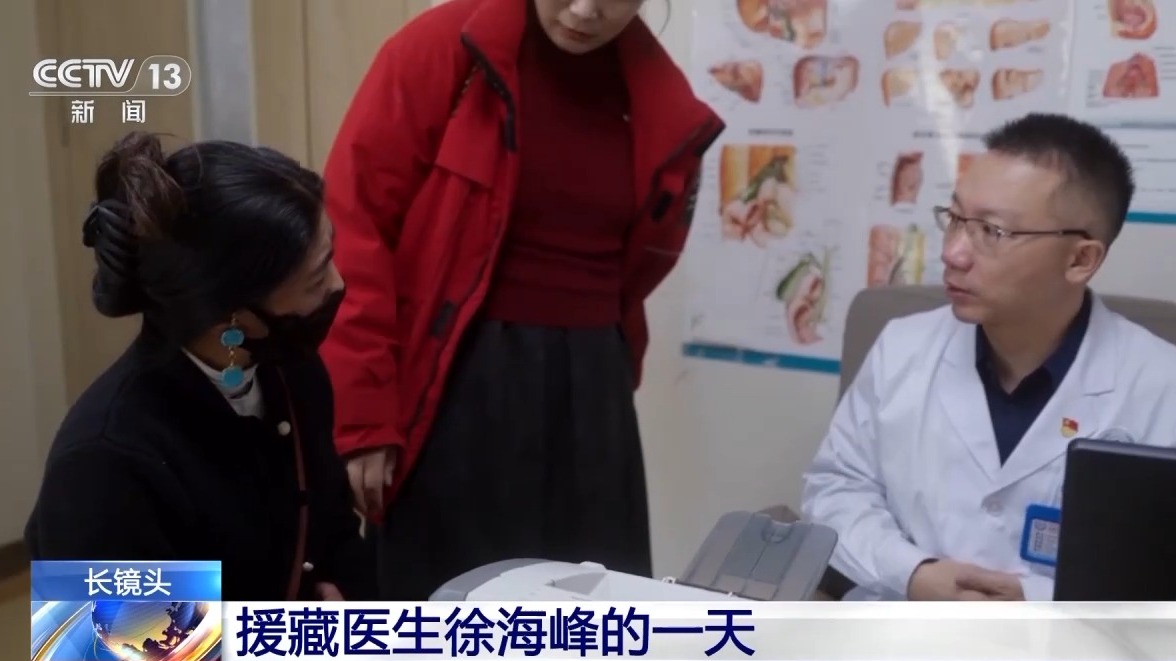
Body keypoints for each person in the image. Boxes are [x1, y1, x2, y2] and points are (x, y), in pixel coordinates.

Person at [319, 0, 724, 599]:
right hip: (458, 385)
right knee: (450, 611)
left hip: (595, 397)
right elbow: (353, 231)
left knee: (594, 610)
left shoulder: (659, 98)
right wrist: (363, 416)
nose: (584, 10)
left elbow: (640, 264)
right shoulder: (443, 50)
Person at [801, 112, 1176, 601]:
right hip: (897, 623)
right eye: (956, 220)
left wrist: (1032, 603)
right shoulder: (902, 347)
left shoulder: (1160, 384)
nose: (953, 253)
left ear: (1080, 259)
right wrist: (913, 573)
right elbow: (835, 490)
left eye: (992, 231)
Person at [24, 131, 373, 601]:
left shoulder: (294, 374)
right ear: (232, 316)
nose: (337, 284)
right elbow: (114, 638)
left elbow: (335, 539)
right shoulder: (104, 462)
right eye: (315, 278)